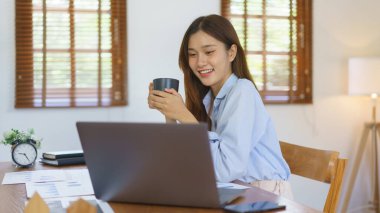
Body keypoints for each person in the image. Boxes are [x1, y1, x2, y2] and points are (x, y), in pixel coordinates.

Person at [147, 14, 292, 198]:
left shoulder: (242, 91)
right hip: (236, 190)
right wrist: (170, 114)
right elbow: (187, 160)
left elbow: (225, 170)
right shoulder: (210, 100)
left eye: (209, 52)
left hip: (265, 195)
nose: (200, 62)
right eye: (192, 54)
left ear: (231, 53)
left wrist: (184, 115)